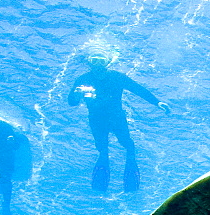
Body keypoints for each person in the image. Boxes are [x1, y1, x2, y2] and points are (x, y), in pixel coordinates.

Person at [68, 51, 170, 192]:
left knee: (127, 144)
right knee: (103, 147)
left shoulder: (117, 77)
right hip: (97, 120)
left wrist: (157, 102)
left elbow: (138, 90)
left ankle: (129, 160)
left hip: (116, 117)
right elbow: (72, 103)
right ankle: (106, 160)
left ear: (108, 62)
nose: (98, 64)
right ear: (89, 62)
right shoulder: (82, 79)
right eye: (94, 60)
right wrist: (76, 94)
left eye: (101, 60)